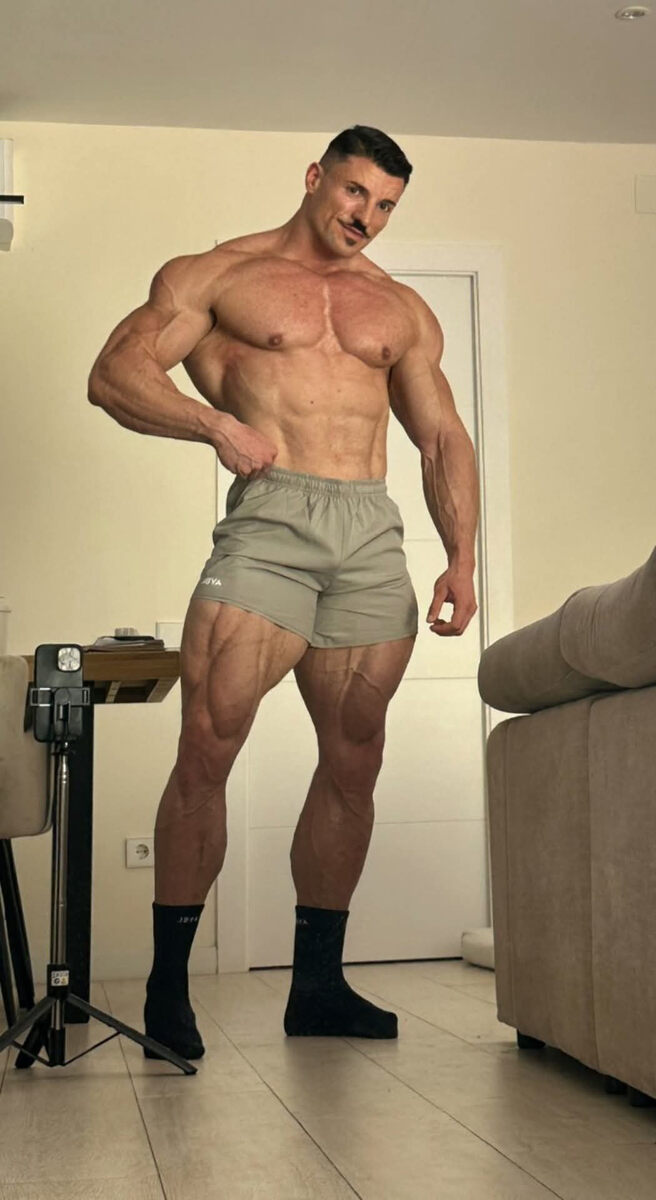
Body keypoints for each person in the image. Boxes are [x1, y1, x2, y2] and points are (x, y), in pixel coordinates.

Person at [88, 125, 480, 1060]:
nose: (367, 217)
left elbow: (440, 438)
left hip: (371, 531)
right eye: (355, 192)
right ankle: (169, 989)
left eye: (386, 205)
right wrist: (214, 425)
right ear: (314, 178)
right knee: (208, 745)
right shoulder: (220, 275)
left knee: (355, 761)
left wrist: (463, 557)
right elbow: (114, 375)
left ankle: (318, 988)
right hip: (271, 523)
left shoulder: (401, 308)